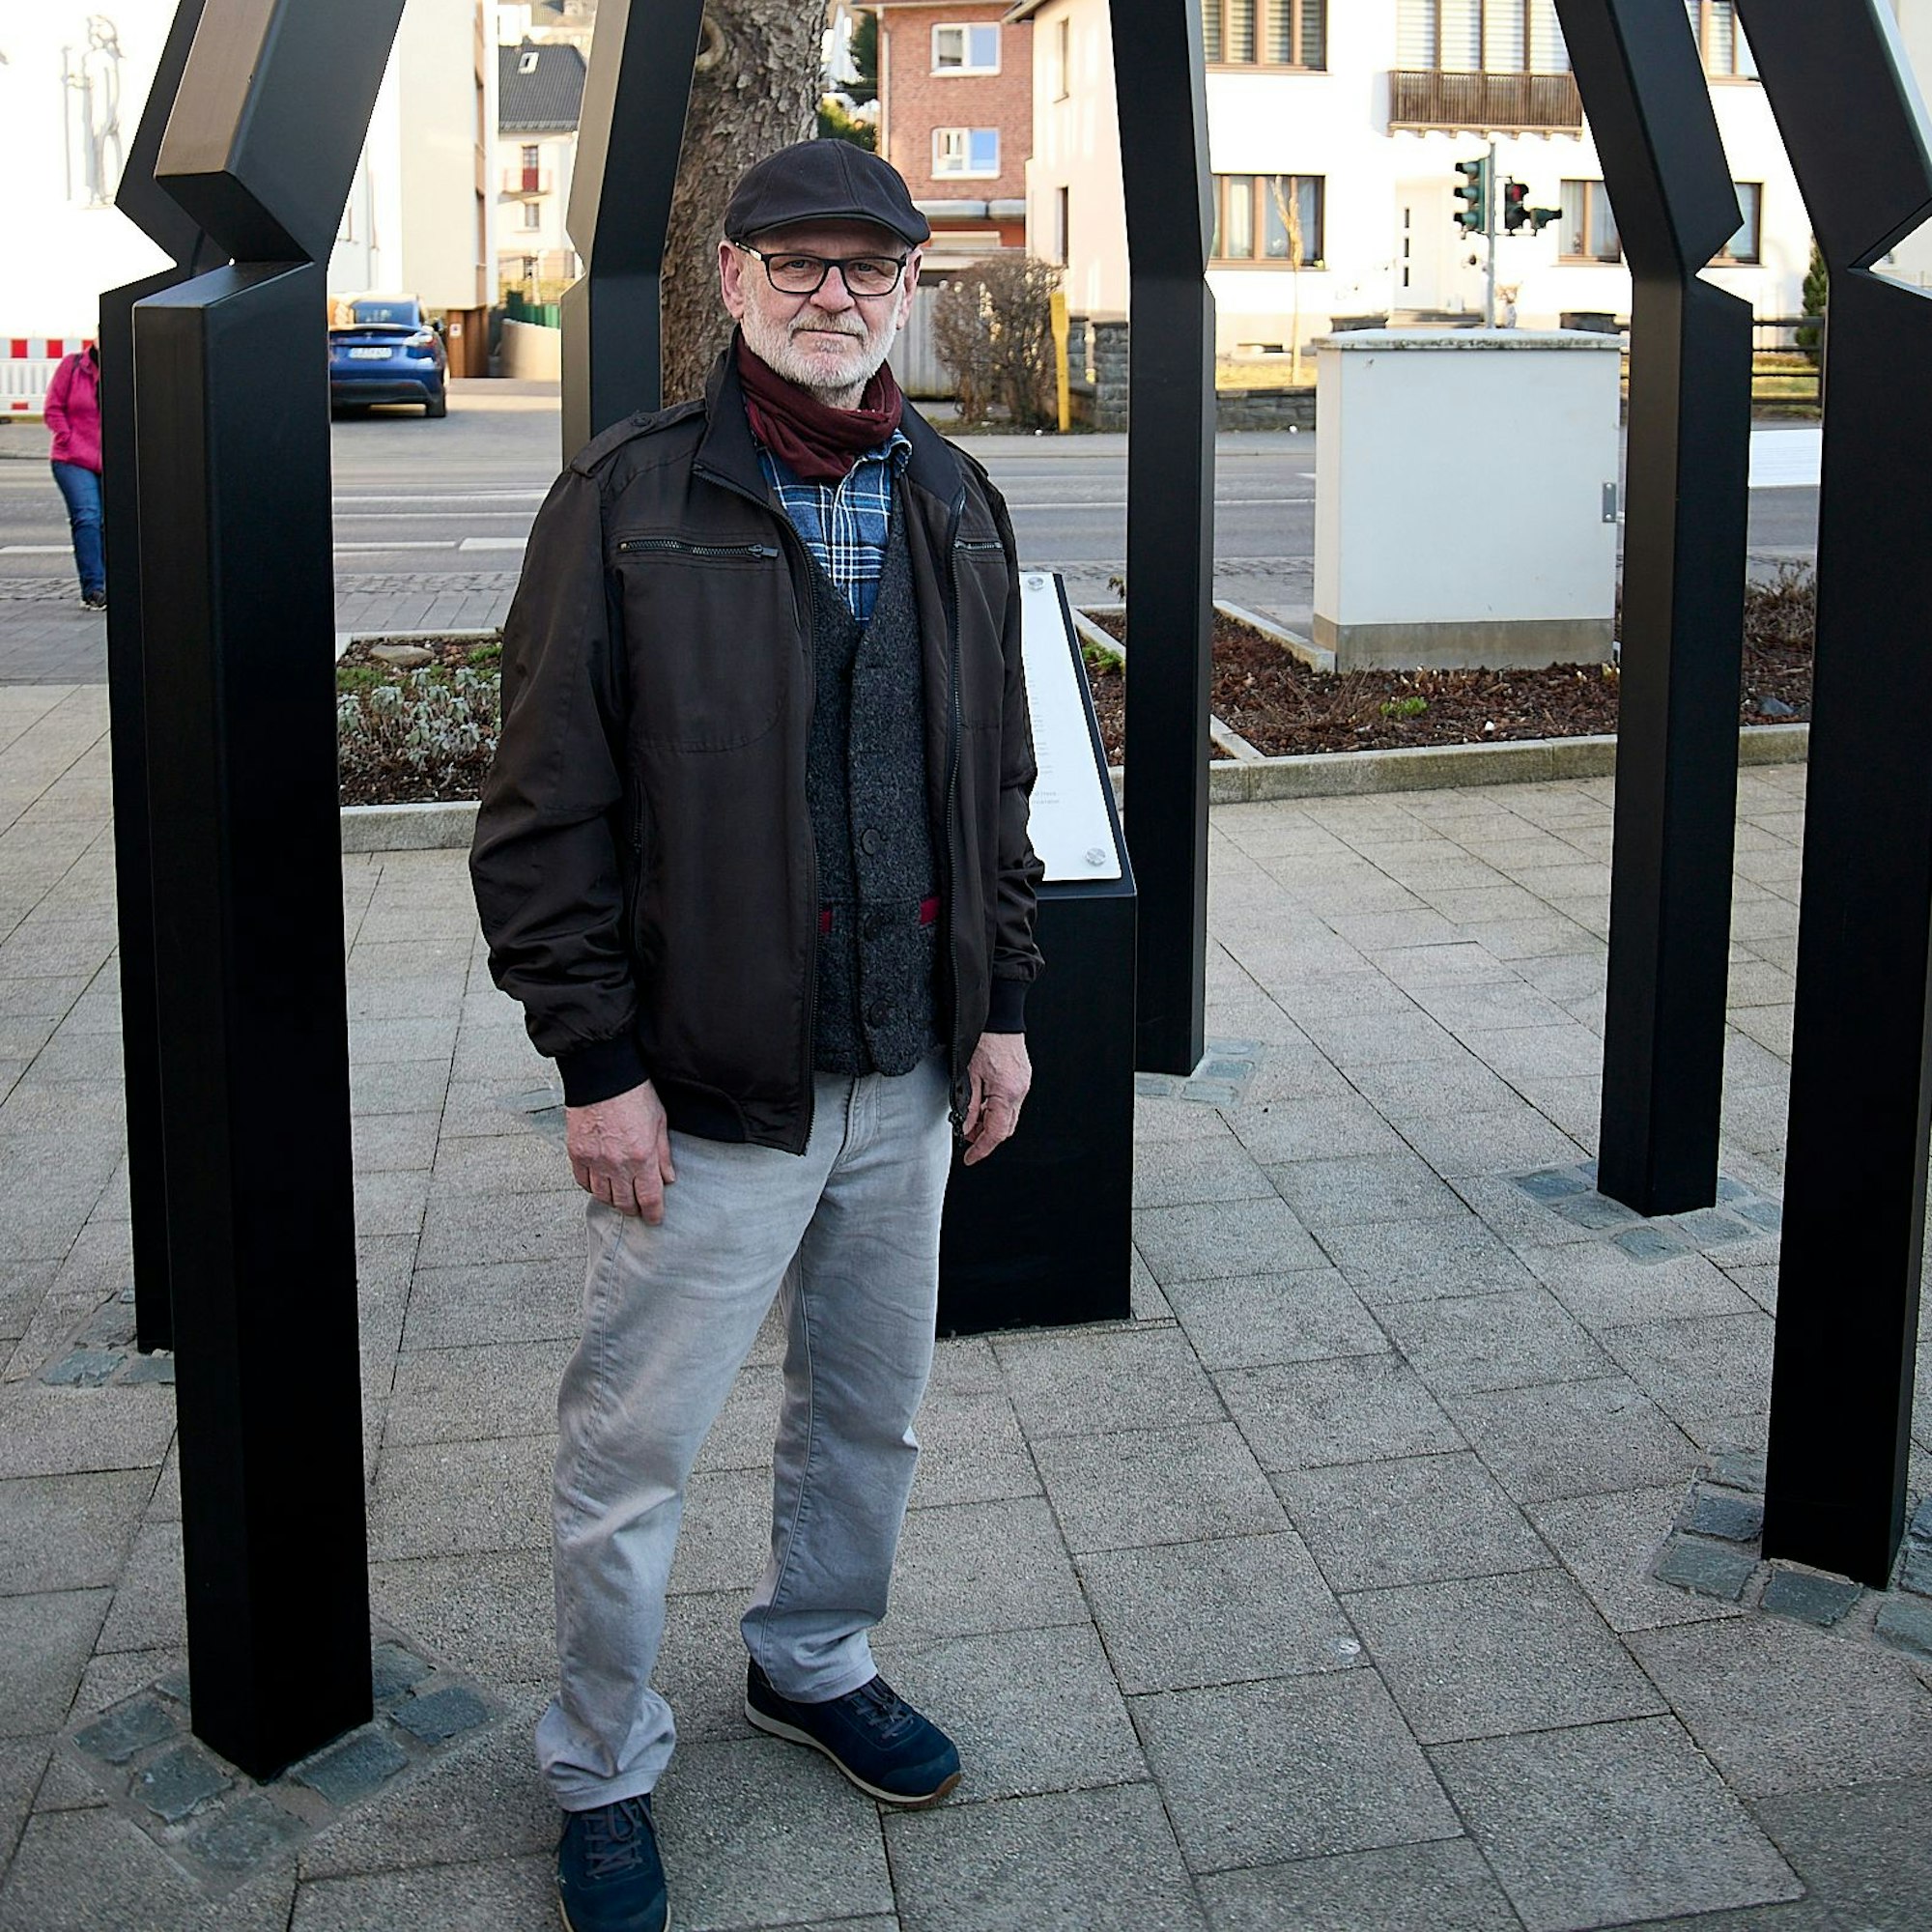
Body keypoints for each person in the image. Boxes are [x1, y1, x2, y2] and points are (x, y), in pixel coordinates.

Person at [470, 139, 1042, 1932]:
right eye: (794, 265)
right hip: (705, 1099)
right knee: (631, 1459)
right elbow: (542, 813)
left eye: (867, 269)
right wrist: (597, 1067)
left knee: (870, 1425)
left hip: (906, 1081)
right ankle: (600, 1758)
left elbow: (995, 792)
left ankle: (812, 1657)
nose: (832, 298)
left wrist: (1003, 1012)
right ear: (730, 283)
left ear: (908, 292)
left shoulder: (952, 497)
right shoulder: (631, 501)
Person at [44, 344, 105, 611]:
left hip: (112, 461)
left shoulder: (125, 367)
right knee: (88, 517)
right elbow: (53, 408)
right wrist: (67, 437)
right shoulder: (73, 366)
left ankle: (114, 583)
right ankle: (95, 588)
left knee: (110, 525)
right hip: (73, 459)